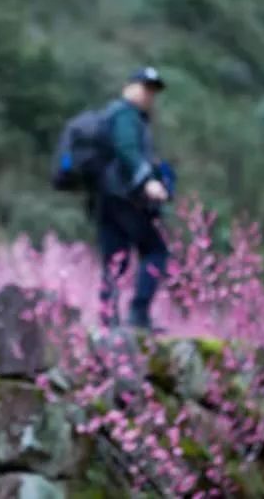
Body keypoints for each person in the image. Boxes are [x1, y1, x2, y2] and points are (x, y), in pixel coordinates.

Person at [95, 67, 170, 330]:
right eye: (145, 87)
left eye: (153, 90)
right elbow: (127, 148)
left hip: (107, 197)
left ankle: (108, 320)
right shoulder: (125, 114)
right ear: (129, 86)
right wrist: (147, 181)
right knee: (156, 251)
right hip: (127, 197)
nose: (149, 94)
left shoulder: (114, 114)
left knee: (115, 258)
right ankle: (138, 315)